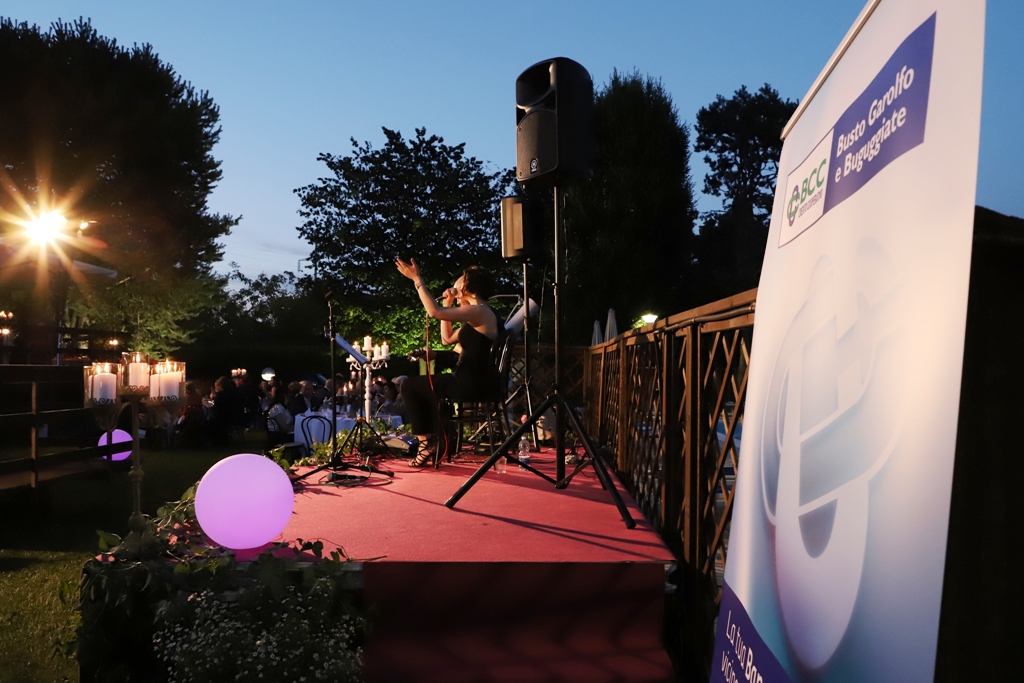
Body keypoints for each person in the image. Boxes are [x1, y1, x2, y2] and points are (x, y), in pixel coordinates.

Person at [395, 258, 500, 466]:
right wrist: (448, 303)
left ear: (468, 286)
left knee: (409, 385)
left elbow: (433, 313)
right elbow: (447, 339)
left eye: (461, 279)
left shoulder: (480, 311)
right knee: (422, 386)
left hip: (469, 384)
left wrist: (417, 280)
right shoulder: (480, 315)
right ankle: (434, 440)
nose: (456, 283)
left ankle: (426, 444)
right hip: (472, 381)